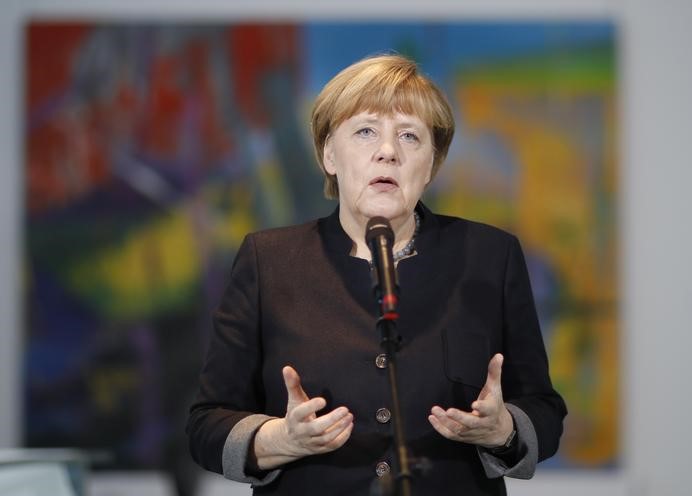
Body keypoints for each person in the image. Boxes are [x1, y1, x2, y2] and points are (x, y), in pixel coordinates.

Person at [186, 54, 567, 495]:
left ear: (432, 164)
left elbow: (544, 412)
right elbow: (205, 424)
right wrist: (278, 440)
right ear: (329, 153)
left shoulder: (489, 257)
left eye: (410, 136)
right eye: (365, 131)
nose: (388, 151)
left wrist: (503, 430)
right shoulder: (267, 260)